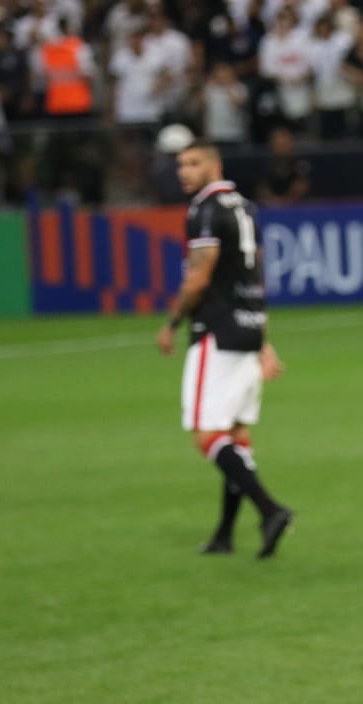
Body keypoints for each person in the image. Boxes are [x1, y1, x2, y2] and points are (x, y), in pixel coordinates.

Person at [156, 140, 294, 559]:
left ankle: (269, 509)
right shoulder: (245, 208)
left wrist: (172, 322)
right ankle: (224, 535)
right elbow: (253, 275)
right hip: (248, 328)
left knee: (206, 431)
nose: (184, 171)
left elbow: (200, 277)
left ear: (214, 166)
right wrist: (263, 342)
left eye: (193, 163)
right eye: (180, 164)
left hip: (217, 329)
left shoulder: (205, 210)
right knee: (235, 433)